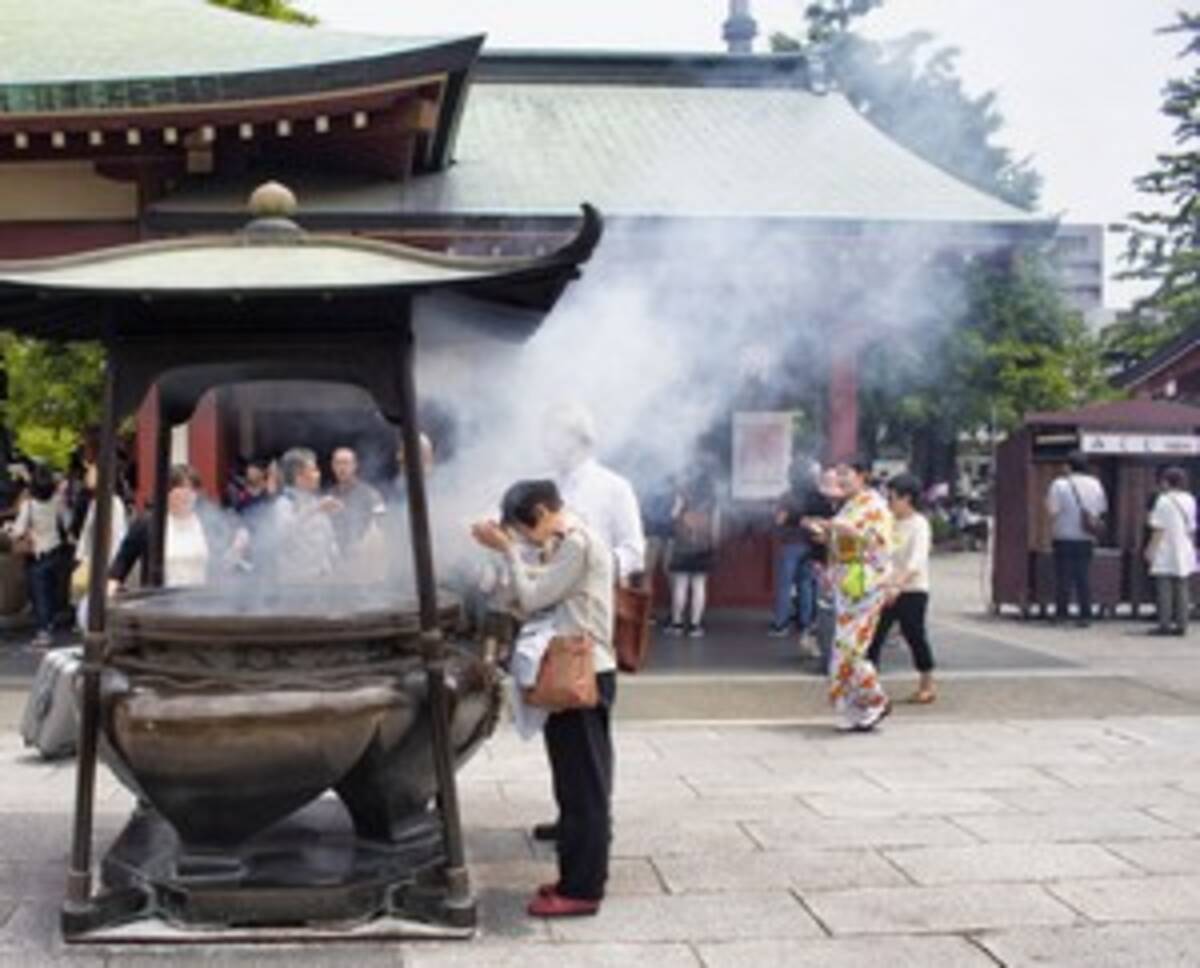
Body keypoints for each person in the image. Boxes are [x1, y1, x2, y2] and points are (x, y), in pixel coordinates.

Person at [471, 479, 615, 918]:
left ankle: (583, 889)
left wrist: (508, 552)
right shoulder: (568, 542)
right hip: (574, 672)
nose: (522, 537)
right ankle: (575, 876)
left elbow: (533, 595)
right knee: (575, 783)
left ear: (539, 511)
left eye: (521, 527)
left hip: (581, 674)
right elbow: (542, 585)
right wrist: (509, 551)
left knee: (584, 788)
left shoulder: (576, 544)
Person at [806, 458, 893, 732]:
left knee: (851, 649)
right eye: (838, 474)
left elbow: (874, 540)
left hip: (866, 585)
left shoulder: (874, 505)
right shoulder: (851, 506)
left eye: (847, 474)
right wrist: (824, 534)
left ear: (862, 475)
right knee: (843, 648)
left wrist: (839, 528)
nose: (841, 480)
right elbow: (842, 539)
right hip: (848, 586)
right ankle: (858, 706)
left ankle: (876, 700)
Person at [867, 472, 937, 703]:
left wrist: (899, 584)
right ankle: (869, 686)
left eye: (893, 498)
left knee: (914, 634)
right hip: (886, 587)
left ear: (907, 499)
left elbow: (916, 561)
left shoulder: (919, 524)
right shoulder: (888, 522)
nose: (890, 503)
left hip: (913, 590)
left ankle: (927, 682)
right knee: (874, 636)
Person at [8, 465, 69, 648]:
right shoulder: (57, 501)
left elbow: (18, 530)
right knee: (49, 591)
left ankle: (44, 631)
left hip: (37, 555)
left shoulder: (29, 505)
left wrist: (10, 530)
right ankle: (49, 623)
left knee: (38, 593)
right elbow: (66, 521)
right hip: (55, 550)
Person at [1045, 452, 1108, 627]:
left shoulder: (1059, 485)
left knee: (1063, 577)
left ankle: (1062, 613)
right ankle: (1085, 614)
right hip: (1086, 537)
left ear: (1068, 466)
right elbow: (1102, 508)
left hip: (1064, 535)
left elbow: (1052, 510)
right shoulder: (1095, 484)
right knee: (1083, 577)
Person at [267, 447, 341, 583]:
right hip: (297, 585)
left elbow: (329, 541)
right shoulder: (284, 503)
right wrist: (315, 510)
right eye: (314, 470)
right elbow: (284, 533)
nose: (318, 475)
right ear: (299, 477)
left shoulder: (314, 501)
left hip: (323, 581)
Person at [1144, 465, 1197, 636]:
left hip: (1166, 547)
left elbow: (1158, 528)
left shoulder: (1163, 500)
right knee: (1182, 587)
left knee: (1164, 588)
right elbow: (1192, 527)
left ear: (1166, 482)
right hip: (1184, 545)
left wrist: (1150, 549)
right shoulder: (1190, 499)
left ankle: (1164, 624)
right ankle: (1182, 624)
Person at [665, 474, 720, 637]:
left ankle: (677, 623)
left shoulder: (682, 496)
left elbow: (672, 517)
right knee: (699, 585)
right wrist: (714, 544)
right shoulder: (712, 500)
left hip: (682, 546)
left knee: (680, 585)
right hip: (703, 546)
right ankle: (696, 625)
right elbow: (716, 525)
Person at [329, 446, 386, 556]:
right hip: (337, 559)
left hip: (364, 556)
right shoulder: (330, 496)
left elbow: (381, 524)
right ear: (333, 466)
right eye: (338, 463)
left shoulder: (370, 494)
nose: (342, 468)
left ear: (354, 465)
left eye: (346, 463)